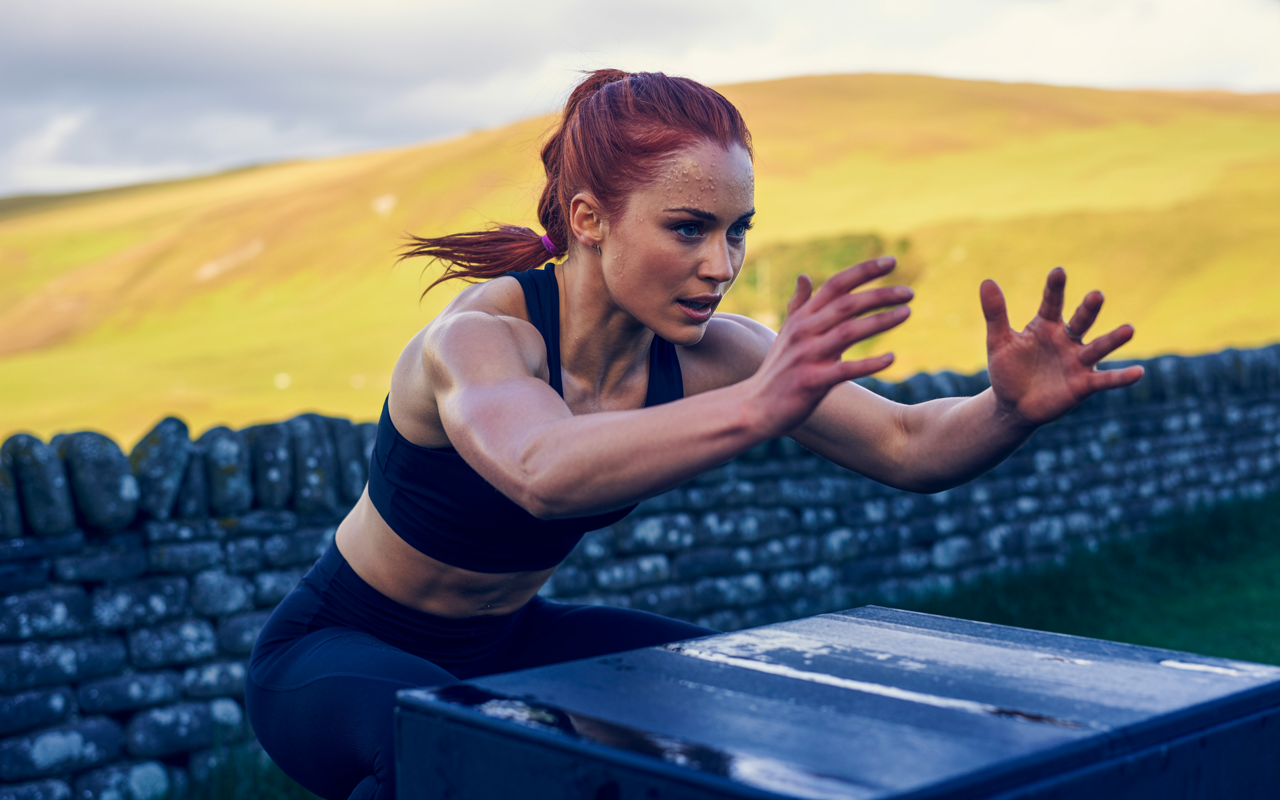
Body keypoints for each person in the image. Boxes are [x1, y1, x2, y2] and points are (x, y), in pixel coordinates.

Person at [245, 69, 1144, 800]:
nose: (721, 266)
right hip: (337, 649)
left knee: (718, 710)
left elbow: (909, 446)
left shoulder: (720, 354)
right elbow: (541, 469)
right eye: (688, 228)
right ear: (590, 220)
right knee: (462, 754)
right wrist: (763, 404)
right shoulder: (479, 340)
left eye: (737, 230)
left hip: (511, 637)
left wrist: (1008, 411)